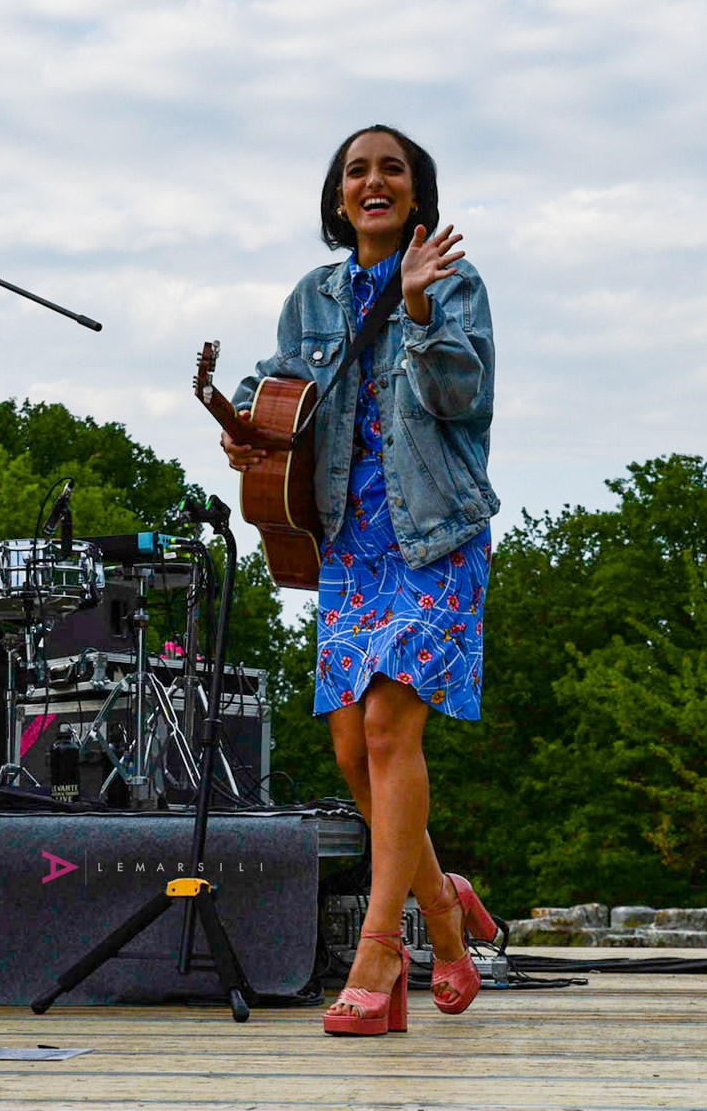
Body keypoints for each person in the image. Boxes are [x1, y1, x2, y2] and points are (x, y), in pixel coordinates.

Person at [222, 124, 500, 1036]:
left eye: (392, 169)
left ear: (417, 192)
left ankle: (383, 951)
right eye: (356, 170)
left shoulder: (454, 282)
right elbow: (284, 393)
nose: (372, 181)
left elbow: (466, 399)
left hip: (433, 536)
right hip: (347, 542)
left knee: (389, 726)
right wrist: (247, 432)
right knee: (352, 753)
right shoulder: (313, 296)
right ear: (338, 196)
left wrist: (419, 314)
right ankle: (446, 909)